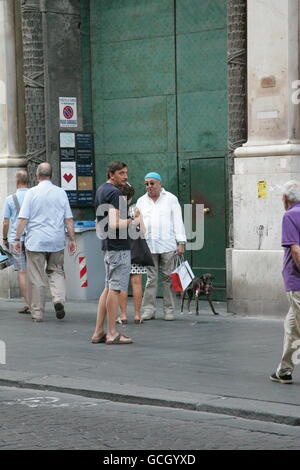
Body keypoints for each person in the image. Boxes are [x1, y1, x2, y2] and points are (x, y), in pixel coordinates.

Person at [14, 162, 76, 322]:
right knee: (56, 271)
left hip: (36, 241)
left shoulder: (31, 193)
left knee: (36, 277)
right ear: (52, 175)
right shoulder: (61, 192)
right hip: (56, 240)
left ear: (37, 176)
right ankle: (58, 299)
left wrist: (16, 239)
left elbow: (22, 219)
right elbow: (68, 219)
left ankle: (37, 313)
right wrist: (72, 239)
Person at [91, 161, 141, 345]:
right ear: (111, 174)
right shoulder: (116, 193)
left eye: (126, 173)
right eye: (121, 173)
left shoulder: (101, 190)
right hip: (118, 247)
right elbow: (114, 224)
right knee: (115, 288)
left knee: (108, 287)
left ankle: (98, 332)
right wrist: (132, 219)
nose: (125, 176)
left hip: (108, 246)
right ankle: (111, 332)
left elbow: (99, 224)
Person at [136, 172, 187, 321]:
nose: (149, 186)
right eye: (146, 184)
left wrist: (181, 242)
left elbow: (178, 220)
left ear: (160, 183)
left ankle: (169, 310)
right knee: (151, 279)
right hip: (149, 245)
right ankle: (149, 310)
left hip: (168, 244)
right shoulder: (141, 201)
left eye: (152, 183)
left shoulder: (171, 199)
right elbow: (138, 222)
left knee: (168, 279)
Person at [270, 180, 300, 385]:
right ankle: (284, 370)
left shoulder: (290, 215)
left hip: (296, 281)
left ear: (286, 198)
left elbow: (296, 250)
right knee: (291, 327)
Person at [117, 183, 147, 325]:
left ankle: (122, 315)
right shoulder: (135, 210)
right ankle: (137, 315)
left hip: (120, 250)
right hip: (136, 250)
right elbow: (143, 231)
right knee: (137, 283)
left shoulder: (115, 211)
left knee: (122, 284)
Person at [2, 169, 30, 314]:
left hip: (15, 240)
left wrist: (4, 238)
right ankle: (36, 303)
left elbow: (6, 222)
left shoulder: (10, 199)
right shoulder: (34, 195)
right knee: (34, 273)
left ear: (17, 181)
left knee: (22, 273)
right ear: (28, 181)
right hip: (32, 239)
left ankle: (28, 304)